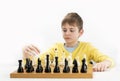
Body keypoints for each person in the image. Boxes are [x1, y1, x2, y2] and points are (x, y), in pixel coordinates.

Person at [23, 12, 114, 72]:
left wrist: (105, 63)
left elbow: (110, 60)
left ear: (80, 32)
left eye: (71, 30)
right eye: (64, 30)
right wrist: (26, 57)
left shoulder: (88, 47)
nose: (67, 33)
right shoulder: (55, 47)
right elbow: (36, 63)